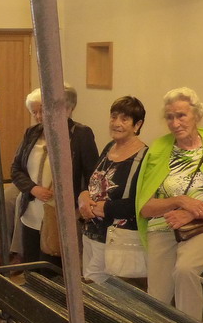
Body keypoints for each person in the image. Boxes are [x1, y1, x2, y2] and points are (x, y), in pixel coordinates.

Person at [137, 87, 203, 321]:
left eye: (181, 115)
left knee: (185, 271)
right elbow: (145, 208)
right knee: (157, 296)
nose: (175, 123)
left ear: (197, 115)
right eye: (170, 117)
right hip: (163, 226)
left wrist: (193, 213)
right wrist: (179, 201)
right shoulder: (158, 149)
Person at [10, 84, 98, 265]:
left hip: (60, 216)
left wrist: (80, 201)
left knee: (52, 271)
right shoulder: (32, 133)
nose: (39, 116)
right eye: (35, 112)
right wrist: (33, 188)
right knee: (31, 269)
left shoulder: (81, 134)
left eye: (44, 109)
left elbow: (92, 175)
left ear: (68, 109)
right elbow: (16, 169)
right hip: (31, 214)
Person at [78, 96, 148, 284]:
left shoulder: (144, 157)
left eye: (124, 119)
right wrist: (83, 196)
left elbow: (140, 203)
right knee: (88, 285)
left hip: (114, 239)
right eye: (114, 117)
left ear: (137, 125)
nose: (116, 123)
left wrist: (106, 208)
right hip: (90, 231)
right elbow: (93, 182)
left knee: (93, 288)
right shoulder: (109, 147)